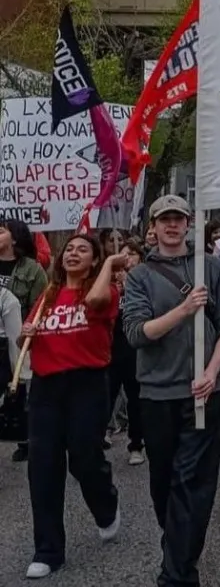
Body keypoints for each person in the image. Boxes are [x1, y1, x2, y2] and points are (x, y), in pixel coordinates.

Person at [123, 195, 220, 587]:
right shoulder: (140, 276)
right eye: (165, 219)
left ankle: (174, 575)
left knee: (193, 481)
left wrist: (211, 370)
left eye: (179, 218)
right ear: (152, 226)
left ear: (190, 222)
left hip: (206, 391)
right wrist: (184, 310)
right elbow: (139, 334)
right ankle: (178, 550)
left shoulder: (212, 267)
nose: (173, 226)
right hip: (157, 394)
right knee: (164, 483)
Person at [22, 234, 126, 580]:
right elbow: (26, 340)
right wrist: (26, 332)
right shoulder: (48, 295)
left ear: (95, 260)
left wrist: (110, 264)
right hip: (46, 387)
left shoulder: (103, 291)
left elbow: (97, 298)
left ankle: (105, 504)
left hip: (86, 384)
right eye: (69, 249)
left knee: (84, 459)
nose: (73, 253)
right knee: (43, 467)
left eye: (83, 250)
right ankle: (48, 550)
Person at [0, 218, 48, 463]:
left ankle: (22, 436)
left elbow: (42, 305)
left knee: (18, 387)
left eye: (1, 231)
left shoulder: (32, 270)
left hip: (17, 338)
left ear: (14, 238)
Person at [107, 239, 146, 466]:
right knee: (107, 395)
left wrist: (129, 284)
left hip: (133, 349)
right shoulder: (109, 280)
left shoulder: (143, 279)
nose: (128, 257)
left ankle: (136, 444)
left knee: (134, 398)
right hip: (111, 347)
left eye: (132, 253)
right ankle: (103, 433)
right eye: (124, 254)